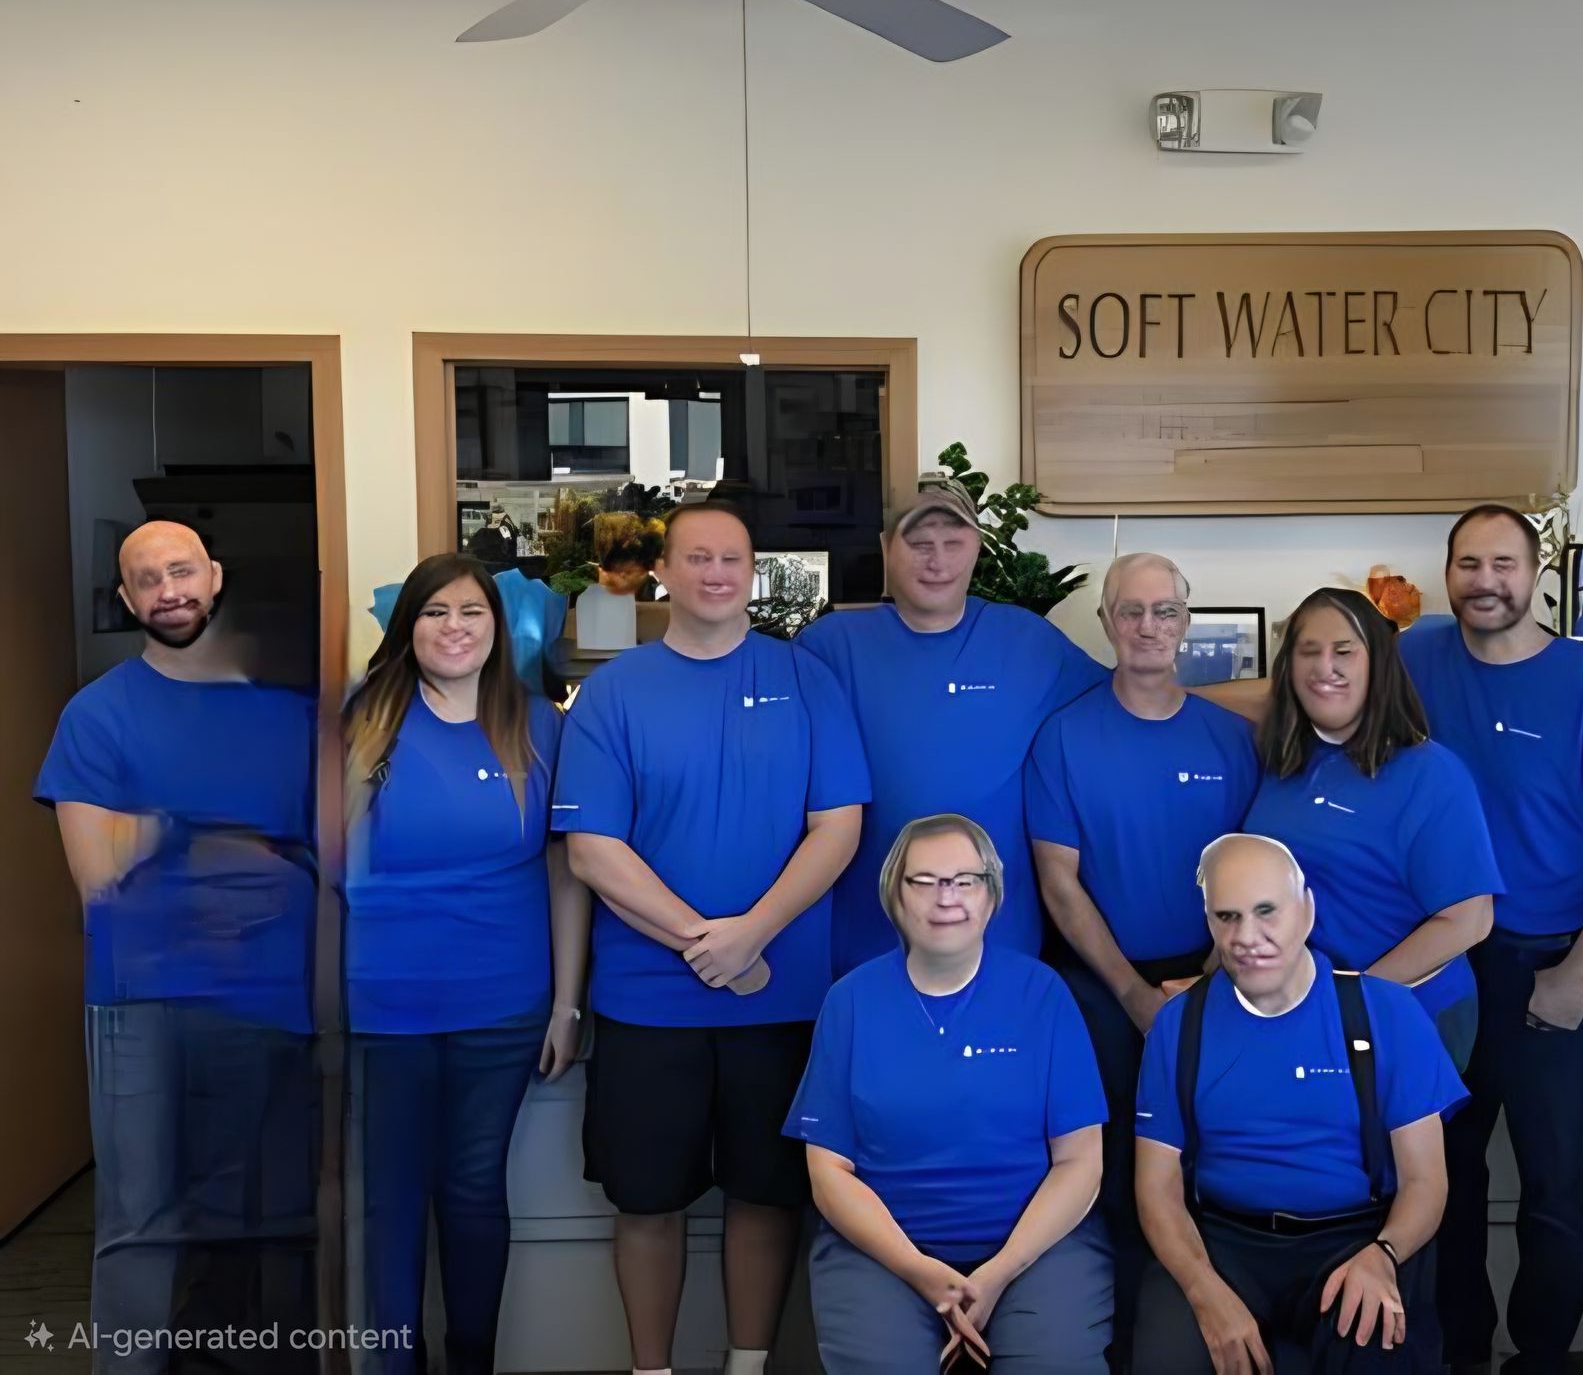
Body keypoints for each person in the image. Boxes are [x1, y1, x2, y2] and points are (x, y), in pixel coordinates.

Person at [554, 502, 870, 1375]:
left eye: (733, 558)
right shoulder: (616, 691)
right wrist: (711, 944)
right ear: (664, 569)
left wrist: (755, 935)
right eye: (698, 557)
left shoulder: (807, 679)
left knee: (765, 1195)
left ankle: (746, 1365)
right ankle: (651, 1370)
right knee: (646, 1200)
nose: (717, 573)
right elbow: (591, 848)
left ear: (754, 570)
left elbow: (838, 827)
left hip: (783, 993)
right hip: (647, 1004)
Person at [1399, 507, 1583, 1375]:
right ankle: (1460, 1353)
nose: (1486, 579)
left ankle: (1542, 1358)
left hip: (1546, 961)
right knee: (1442, 1176)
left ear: (1536, 576)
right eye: (1469, 562)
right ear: (1447, 572)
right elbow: (1307, 697)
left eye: (1505, 563)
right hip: (1444, 961)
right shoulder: (1414, 656)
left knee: (1556, 1185)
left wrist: (1580, 975)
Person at [35, 520, 319, 1372]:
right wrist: (245, 855)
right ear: (127, 600)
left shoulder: (292, 714)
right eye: (148, 578)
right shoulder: (97, 715)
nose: (170, 589)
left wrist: (166, 838)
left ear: (215, 575)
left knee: (274, 1220)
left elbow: (328, 862)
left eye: (183, 570)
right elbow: (99, 881)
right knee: (141, 1222)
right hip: (142, 1004)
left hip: (279, 999)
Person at [343, 553, 592, 1374]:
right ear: (406, 627)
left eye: (471, 613)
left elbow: (564, 871)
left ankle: (471, 1358)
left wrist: (565, 1003)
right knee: (392, 1199)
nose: (454, 628)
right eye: (435, 612)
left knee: (474, 1188)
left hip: (503, 1004)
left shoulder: (537, 722)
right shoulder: (361, 717)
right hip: (383, 1006)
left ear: (498, 628)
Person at [1025, 551, 1260, 1363]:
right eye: (1131, 611)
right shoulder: (1064, 738)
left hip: (1215, 977)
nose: (1149, 627)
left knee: (1214, 1157)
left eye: (1165, 611)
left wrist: (1206, 981)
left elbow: (1253, 877)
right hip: (1099, 981)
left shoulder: (1233, 739)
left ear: (1187, 624)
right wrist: (1129, 991)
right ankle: (1116, 1343)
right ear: (1106, 624)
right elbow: (1059, 885)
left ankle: (1215, 1327)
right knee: (1113, 1170)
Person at [784, 814, 1112, 1375]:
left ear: (991, 896)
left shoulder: (1043, 995)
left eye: (966, 880)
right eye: (926, 880)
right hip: (885, 1251)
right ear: (895, 894)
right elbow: (829, 1174)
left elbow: (1080, 1162)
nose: (947, 897)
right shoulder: (851, 1002)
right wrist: (916, 1268)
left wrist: (1001, 1269)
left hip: (1035, 1246)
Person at [1131, 833, 1464, 1375]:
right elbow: (1157, 1187)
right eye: (1227, 917)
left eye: (1267, 912)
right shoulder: (1178, 1024)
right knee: (1168, 1358)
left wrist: (1383, 1255)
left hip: (1351, 1239)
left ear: (1306, 910)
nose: (1247, 937)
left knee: (1377, 1350)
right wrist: (1203, 1290)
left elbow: (1427, 1181)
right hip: (1220, 1244)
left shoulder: (1385, 1013)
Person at [798, 476, 1107, 975]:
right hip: (865, 938)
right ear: (885, 547)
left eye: (953, 542)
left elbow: (1132, 706)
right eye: (919, 543)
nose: (936, 560)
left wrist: (1268, 702)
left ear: (977, 548)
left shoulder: (1027, 641)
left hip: (1000, 937)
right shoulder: (831, 647)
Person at [1239, 588, 1499, 1069]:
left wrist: (1351, 1002)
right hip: (1300, 1018)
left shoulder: (1430, 774)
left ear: (1377, 665)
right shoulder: (1286, 764)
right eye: (1308, 652)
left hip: (1403, 1014)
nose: (1324, 667)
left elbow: (1469, 919)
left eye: (1344, 652)